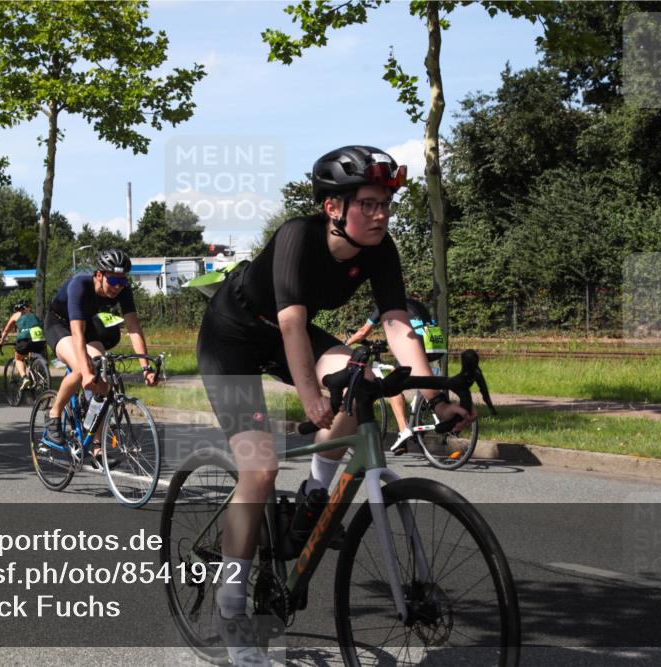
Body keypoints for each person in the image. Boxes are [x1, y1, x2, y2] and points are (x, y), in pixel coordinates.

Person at [196, 146, 476, 666]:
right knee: (258, 470)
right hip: (232, 336)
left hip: (285, 335)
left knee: (360, 379)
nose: (380, 215)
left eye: (385, 205)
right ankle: (231, 608)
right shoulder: (296, 236)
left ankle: (315, 494)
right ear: (332, 207)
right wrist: (310, 397)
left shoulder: (380, 249)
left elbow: (396, 324)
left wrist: (435, 398)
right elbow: (291, 325)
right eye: (367, 204)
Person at [43, 249, 158, 465]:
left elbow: (133, 328)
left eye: (122, 281)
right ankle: (54, 413)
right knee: (81, 367)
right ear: (98, 275)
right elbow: (76, 333)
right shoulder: (80, 285)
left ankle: (97, 447)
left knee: (103, 380)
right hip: (60, 325)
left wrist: (145, 367)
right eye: (113, 279)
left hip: (87, 325)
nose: (117, 286)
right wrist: (86, 372)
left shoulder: (123, 290)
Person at [345, 296, 442, 453]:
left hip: (417, 345)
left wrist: (345, 344)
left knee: (391, 384)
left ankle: (404, 429)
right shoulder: (414, 303)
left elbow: (363, 332)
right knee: (421, 381)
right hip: (435, 345)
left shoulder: (385, 304)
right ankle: (418, 414)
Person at [0, 301, 45, 379]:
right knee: (32, 355)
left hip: (25, 338)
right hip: (40, 339)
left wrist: (2, 341)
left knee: (18, 358)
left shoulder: (16, 315)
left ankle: (25, 378)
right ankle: (39, 376)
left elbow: (6, 330)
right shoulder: (33, 315)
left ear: (17, 309)